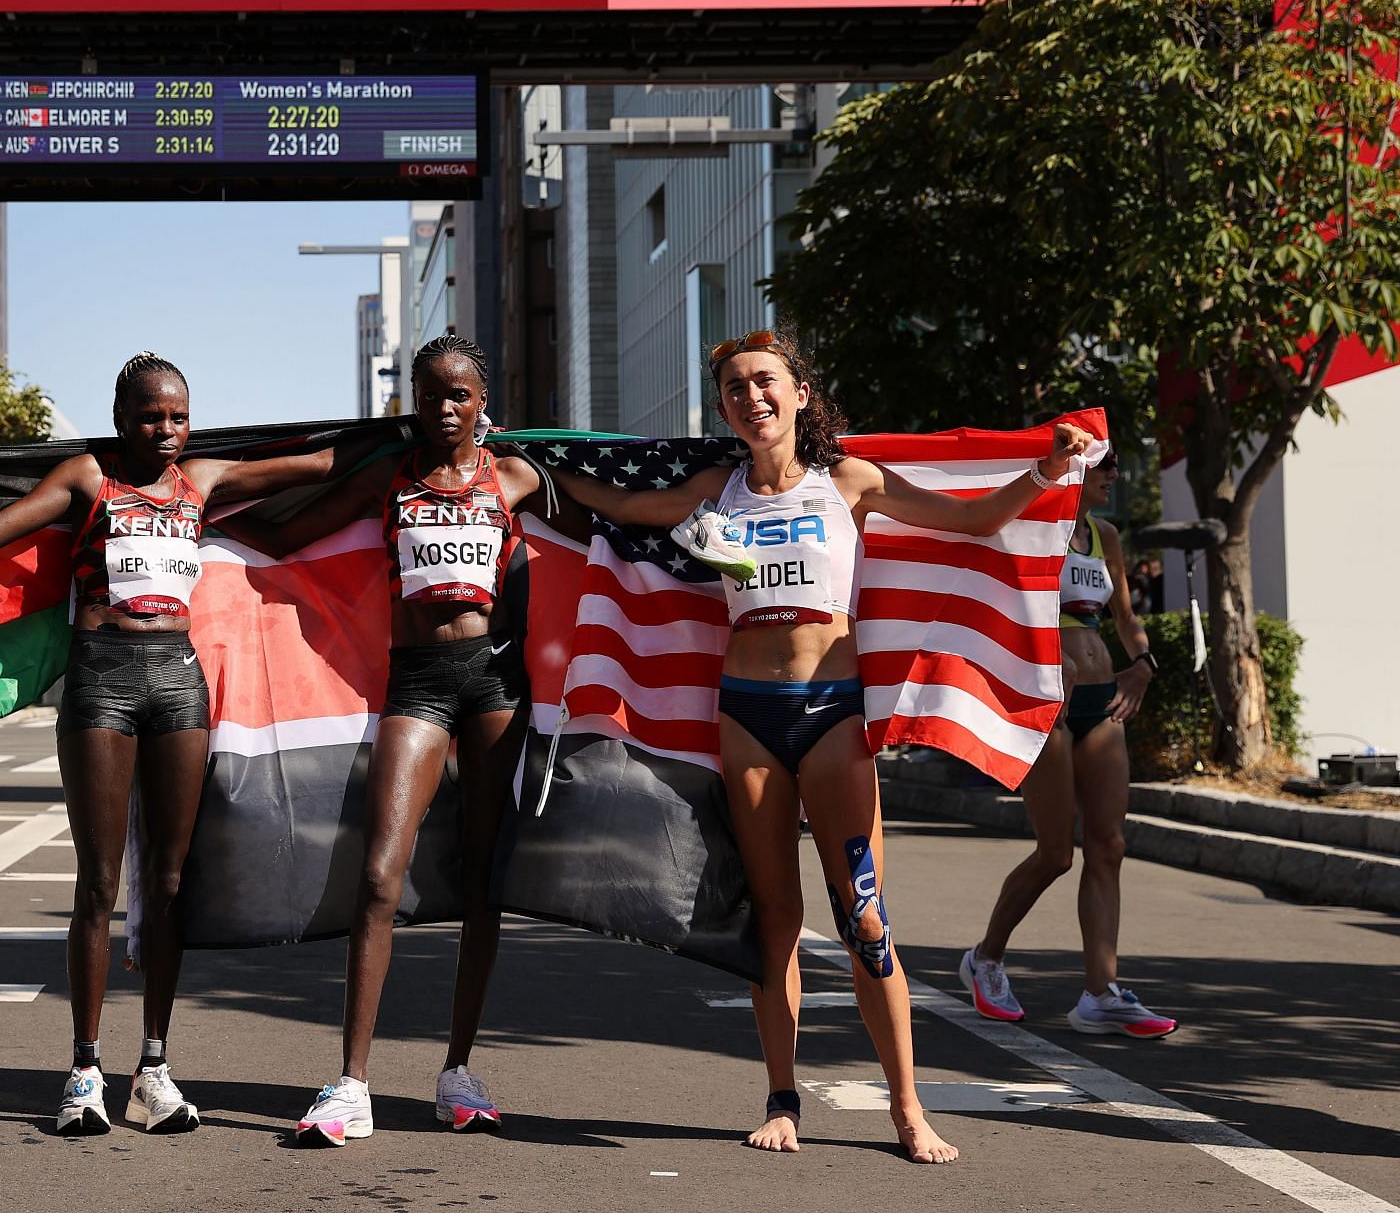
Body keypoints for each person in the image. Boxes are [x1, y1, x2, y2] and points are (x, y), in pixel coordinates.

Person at [553, 326, 1091, 1165]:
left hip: (834, 711)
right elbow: (615, 506)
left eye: (765, 381)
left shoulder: (851, 481)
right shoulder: (713, 489)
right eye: (734, 387)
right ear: (724, 408)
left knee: (865, 921)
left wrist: (1047, 471)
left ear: (801, 394)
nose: (751, 397)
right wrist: (513, 462)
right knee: (775, 919)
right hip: (747, 716)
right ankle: (781, 1097)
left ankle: (908, 1109)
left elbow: (975, 519)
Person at [0, 351, 359, 1138]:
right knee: (98, 883)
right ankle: (85, 1070)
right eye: (150, 417)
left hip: (179, 682)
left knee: (167, 883)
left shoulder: (201, 481)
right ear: (121, 419)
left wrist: (422, 439)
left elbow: (318, 462)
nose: (165, 431)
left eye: (178, 418)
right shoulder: (86, 480)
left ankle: (154, 1070)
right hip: (102, 681)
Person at [223, 334, 544, 1148]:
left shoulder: (515, 476)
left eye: (460, 395)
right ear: (412, 399)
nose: (444, 408)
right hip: (420, 684)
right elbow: (285, 536)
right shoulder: (387, 478)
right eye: (430, 394)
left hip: (497, 685)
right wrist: (198, 522)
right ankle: (351, 1082)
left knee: (485, 882)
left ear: (482, 403)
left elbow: (615, 519)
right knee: (378, 875)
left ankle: (459, 1070)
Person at [960, 449, 1177, 1039]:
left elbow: (1125, 616)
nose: (1114, 477)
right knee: (1056, 852)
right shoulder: (1030, 526)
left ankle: (1100, 992)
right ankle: (985, 958)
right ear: (1078, 470)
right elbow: (999, 610)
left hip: (1102, 699)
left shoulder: (1104, 534)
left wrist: (1142, 665)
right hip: (1042, 701)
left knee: (1108, 844)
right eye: (1106, 467)